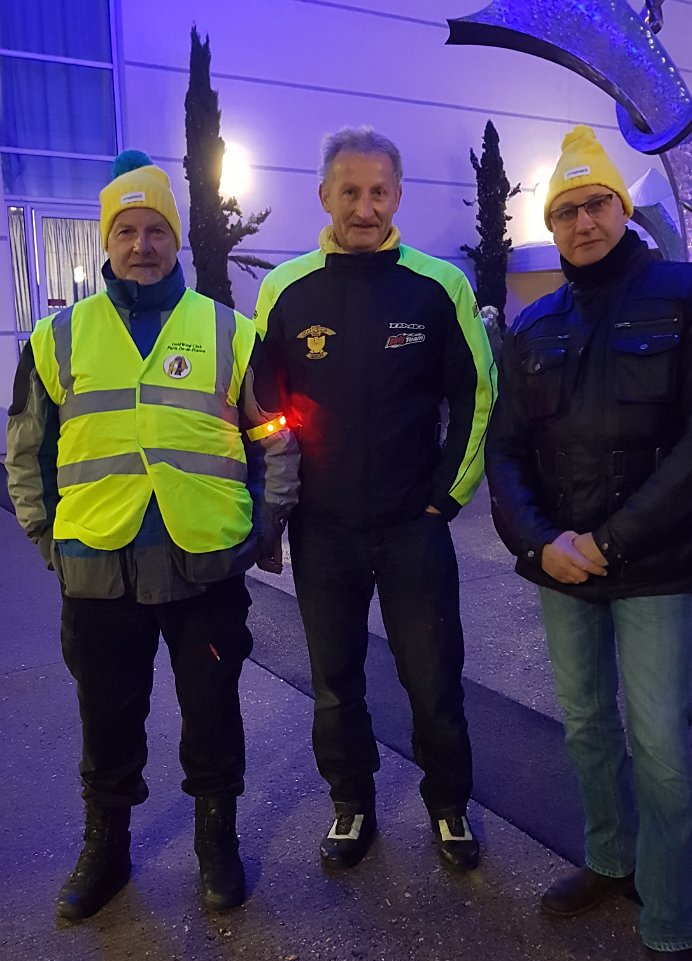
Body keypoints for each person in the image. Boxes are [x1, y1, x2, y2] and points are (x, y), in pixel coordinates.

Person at [5, 150, 299, 920]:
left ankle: (216, 841)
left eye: (156, 230)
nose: (142, 245)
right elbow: (25, 450)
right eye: (127, 231)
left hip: (204, 564)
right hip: (96, 566)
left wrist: (263, 524)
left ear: (176, 239)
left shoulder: (229, 332)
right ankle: (106, 849)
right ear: (107, 241)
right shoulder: (58, 338)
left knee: (212, 710)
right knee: (107, 716)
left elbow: (275, 436)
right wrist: (48, 537)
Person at [485, 125, 692, 961]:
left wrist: (613, 539)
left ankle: (672, 925)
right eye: (564, 211)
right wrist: (541, 545)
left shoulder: (681, 295)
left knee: (664, 748)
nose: (582, 222)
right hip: (563, 567)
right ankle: (610, 860)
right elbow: (505, 453)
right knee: (585, 728)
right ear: (552, 225)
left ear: (622, 207)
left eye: (595, 203)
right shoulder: (535, 326)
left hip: (658, 567)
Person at [253, 126, 496, 872]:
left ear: (397, 196)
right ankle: (351, 802)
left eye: (379, 192)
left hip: (413, 527)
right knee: (336, 686)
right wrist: (277, 507)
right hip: (323, 532)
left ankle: (448, 804)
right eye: (350, 192)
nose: (365, 208)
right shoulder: (285, 290)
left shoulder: (438, 286)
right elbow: (263, 406)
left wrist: (446, 498)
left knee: (433, 678)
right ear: (324, 196)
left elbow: (478, 394)